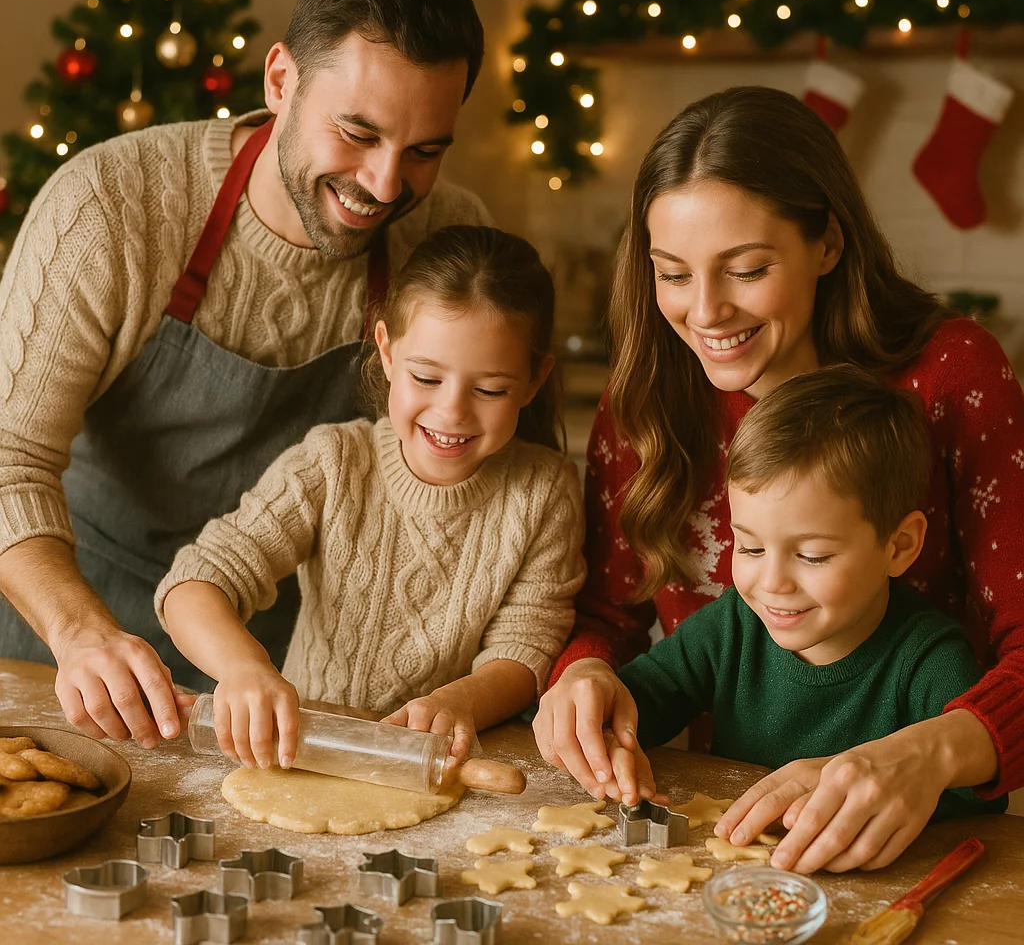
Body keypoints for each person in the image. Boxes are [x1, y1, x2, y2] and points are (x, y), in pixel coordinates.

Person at [0, 0, 490, 750]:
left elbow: (500, 490)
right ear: (279, 81)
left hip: (283, 679)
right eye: (357, 132)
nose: (386, 183)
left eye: (426, 150)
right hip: (73, 644)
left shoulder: (449, 242)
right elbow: (8, 456)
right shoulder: (111, 206)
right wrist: (77, 630)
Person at [533, 86, 1024, 874]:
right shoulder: (648, 400)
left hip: (913, 846)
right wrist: (583, 674)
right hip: (730, 830)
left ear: (827, 243)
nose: (705, 312)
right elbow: (608, 616)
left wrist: (931, 752)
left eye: (748, 269)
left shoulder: (951, 377)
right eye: (672, 274)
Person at [155, 225, 585, 768]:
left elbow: (526, 647)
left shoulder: (545, 492)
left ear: (533, 379)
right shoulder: (334, 463)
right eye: (426, 378)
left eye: (490, 389)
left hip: (440, 766)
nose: (452, 412)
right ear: (386, 352)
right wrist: (244, 668)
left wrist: (458, 702)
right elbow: (195, 581)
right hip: (304, 755)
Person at [595, 365, 1007, 829]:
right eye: (750, 547)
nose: (772, 582)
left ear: (900, 546)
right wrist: (597, 711)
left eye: (812, 556)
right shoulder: (731, 625)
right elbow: (637, 704)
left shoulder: (929, 661)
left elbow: (980, 811)